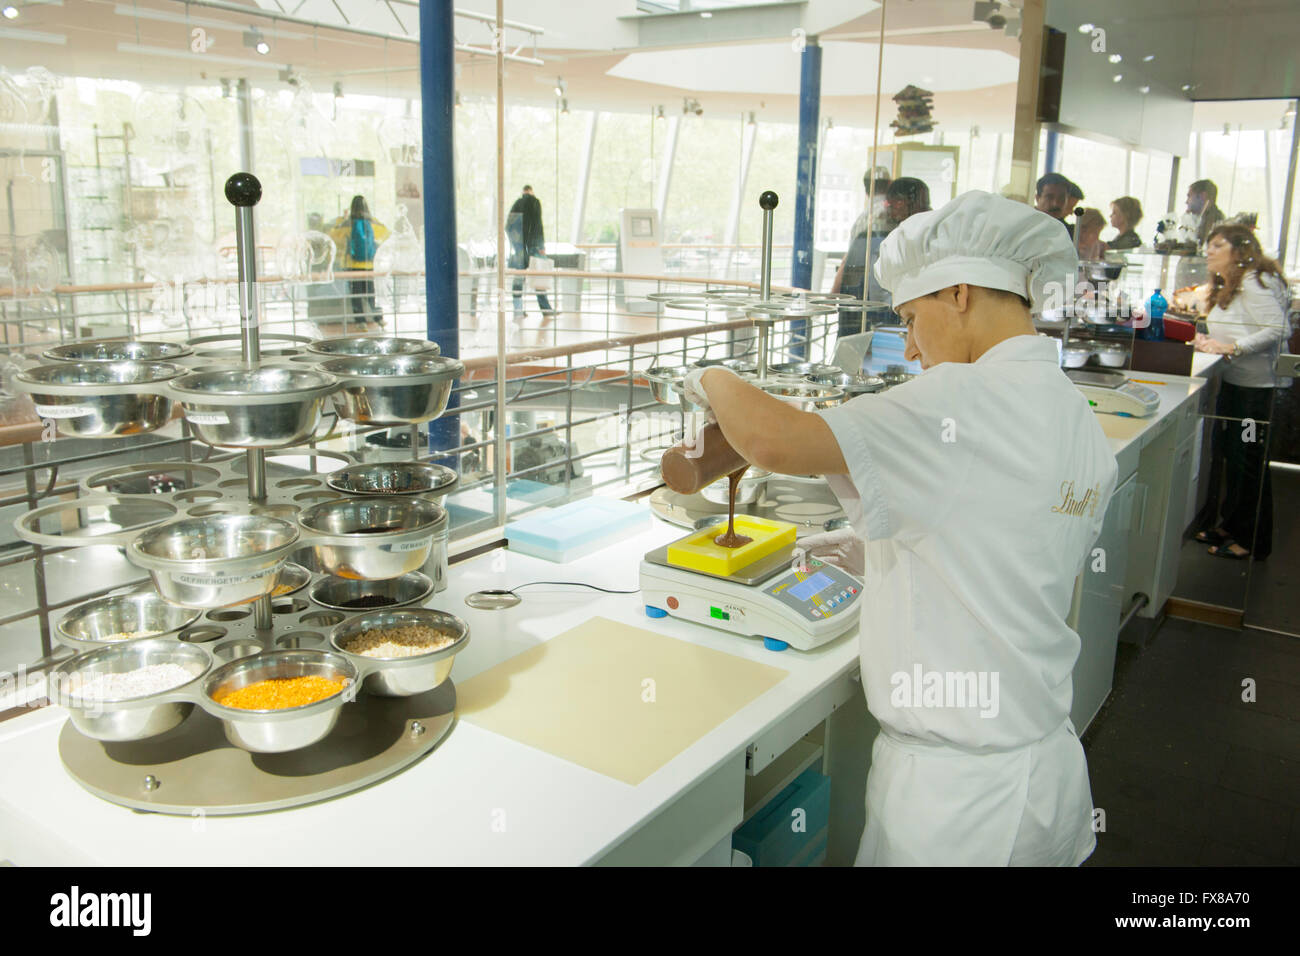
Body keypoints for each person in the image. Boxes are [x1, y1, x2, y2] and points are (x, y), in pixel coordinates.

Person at [682, 190, 1116, 866]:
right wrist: (878, 548)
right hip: (1043, 777)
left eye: (912, 318)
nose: (910, 347)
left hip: (960, 809)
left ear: (961, 294)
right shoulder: (1070, 411)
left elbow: (771, 441)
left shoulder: (964, 400)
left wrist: (703, 373)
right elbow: (1013, 543)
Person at [1192, 224, 1289, 560]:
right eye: (1208, 244)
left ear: (1239, 251)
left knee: (1247, 460)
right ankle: (1231, 525)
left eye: (1217, 245)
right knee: (1233, 457)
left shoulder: (1252, 281)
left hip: (1255, 392)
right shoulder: (1233, 282)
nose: (1209, 251)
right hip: (1237, 385)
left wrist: (1233, 347)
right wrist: (1211, 342)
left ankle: (1251, 539)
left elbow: (1278, 328)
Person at [832, 177, 931, 337]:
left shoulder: (914, 234)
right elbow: (871, 284)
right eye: (922, 204)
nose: (927, 210)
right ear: (898, 203)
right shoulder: (877, 235)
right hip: (874, 316)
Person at [328, 195, 390, 331]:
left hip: (352, 266)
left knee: (356, 295)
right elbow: (386, 233)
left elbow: (332, 234)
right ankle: (378, 318)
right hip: (370, 265)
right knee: (372, 294)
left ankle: (360, 322)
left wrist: (342, 219)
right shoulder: (373, 223)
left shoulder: (347, 223)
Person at [507, 185, 556, 320]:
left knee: (518, 277)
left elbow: (508, 226)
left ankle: (518, 310)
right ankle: (545, 309)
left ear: (523, 192)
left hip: (520, 247)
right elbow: (537, 225)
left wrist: (515, 245)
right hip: (534, 246)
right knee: (539, 274)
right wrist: (541, 246)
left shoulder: (517, 204)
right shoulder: (535, 202)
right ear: (531, 191)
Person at [1187, 179, 1226, 248]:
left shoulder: (1217, 221)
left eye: (1189, 196)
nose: (1186, 201)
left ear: (1203, 196)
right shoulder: (1197, 219)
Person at [1035, 172, 1074, 237]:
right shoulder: (1026, 226)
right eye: (1049, 197)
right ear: (1037, 198)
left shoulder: (1069, 233)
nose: (1055, 204)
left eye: (1061, 198)